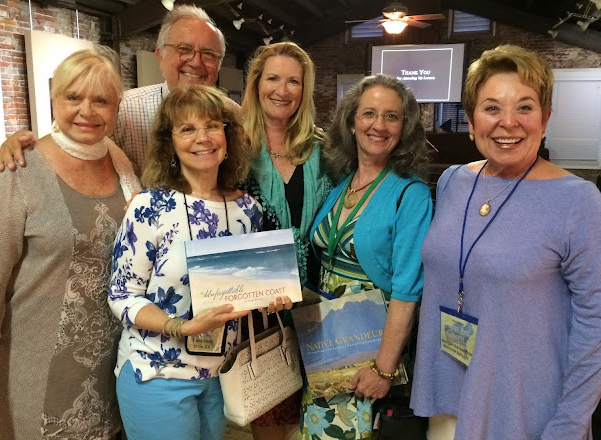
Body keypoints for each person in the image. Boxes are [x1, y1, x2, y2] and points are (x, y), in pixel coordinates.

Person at [410, 44, 601, 440]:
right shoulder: (453, 182)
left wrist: (569, 424)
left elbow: (595, 322)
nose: (508, 122)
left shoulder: (578, 200)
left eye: (524, 107)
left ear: (545, 118)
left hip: (525, 411)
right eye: (492, 107)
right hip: (449, 400)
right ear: (471, 119)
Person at [0, 47, 141, 439]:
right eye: (73, 97)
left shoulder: (121, 163)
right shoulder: (16, 173)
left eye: (101, 101)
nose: (86, 111)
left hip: (111, 373)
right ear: (53, 99)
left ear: (116, 108)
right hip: (37, 378)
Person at [108, 84, 291, 440]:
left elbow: (246, 290)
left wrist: (270, 299)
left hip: (221, 375)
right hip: (157, 372)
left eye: (212, 126)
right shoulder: (150, 207)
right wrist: (183, 327)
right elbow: (122, 296)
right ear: (170, 142)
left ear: (227, 135)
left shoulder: (248, 210)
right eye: (187, 128)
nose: (202, 138)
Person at [300, 74, 432, 439]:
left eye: (392, 116)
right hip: (328, 346)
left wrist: (383, 369)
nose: (379, 125)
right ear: (351, 121)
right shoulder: (342, 183)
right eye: (369, 113)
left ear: (405, 128)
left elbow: (408, 290)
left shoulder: (411, 194)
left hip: (370, 350)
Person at [0, 3, 234, 175]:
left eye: (209, 54)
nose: (196, 62)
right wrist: (22, 148)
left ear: (219, 64)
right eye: (184, 49)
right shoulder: (125, 109)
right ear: (160, 56)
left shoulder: (236, 115)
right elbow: (71, 144)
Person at [239, 41, 331, 440]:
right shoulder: (234, 145)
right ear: (256, 84)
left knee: (317, 418)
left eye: (293, 81)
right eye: (273, 78)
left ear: (304, 89)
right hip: (259, 314)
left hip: (316, 305)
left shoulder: (323, 149)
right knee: (272, 421)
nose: (282, 90)